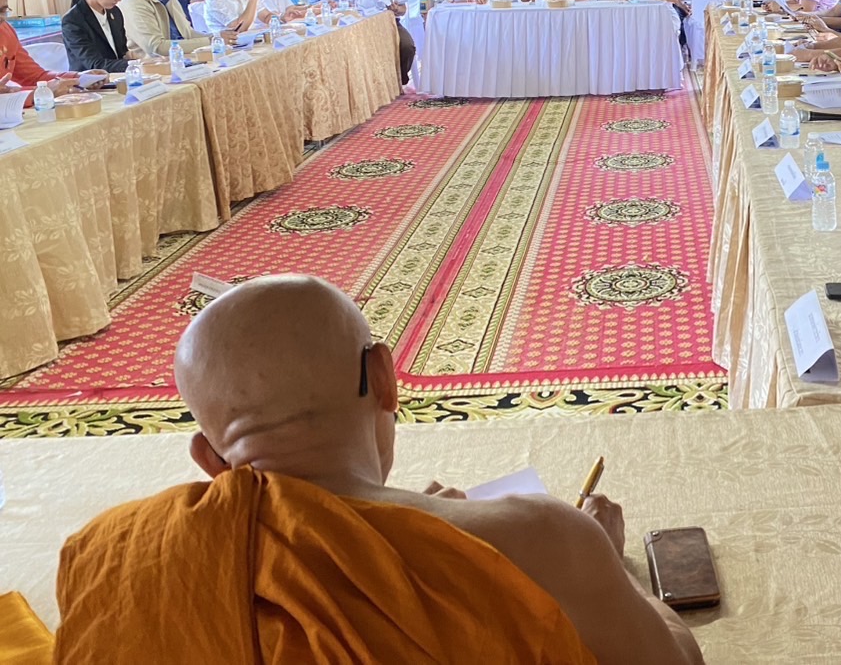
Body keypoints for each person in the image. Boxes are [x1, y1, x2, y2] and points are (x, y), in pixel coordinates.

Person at [52, 275, 703, 663]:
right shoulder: (546, 540)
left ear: (209, 462)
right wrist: (613, 566)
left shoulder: (110, 556)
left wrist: (406, 525)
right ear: (386, 379)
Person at [343, 0, 416, 85]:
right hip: (362, 26)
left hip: (389, 23)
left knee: (407, 46)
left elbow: (403, 10)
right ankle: (370, 85)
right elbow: (345, 9)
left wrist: (396, 9)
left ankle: (398, 81)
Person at [0, 0, 78, 105]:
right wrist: (40, 93)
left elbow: (33, 76)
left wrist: (78, 78)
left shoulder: (6, 31)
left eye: (3, 11)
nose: (2, 18)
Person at [62, 0, 136, 73]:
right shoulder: (73, 20)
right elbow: (95, 64)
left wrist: (131, 57)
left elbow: (122, 52)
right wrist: (135, 64)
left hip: (118, 77)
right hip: (91, 81)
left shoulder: (115, 12)